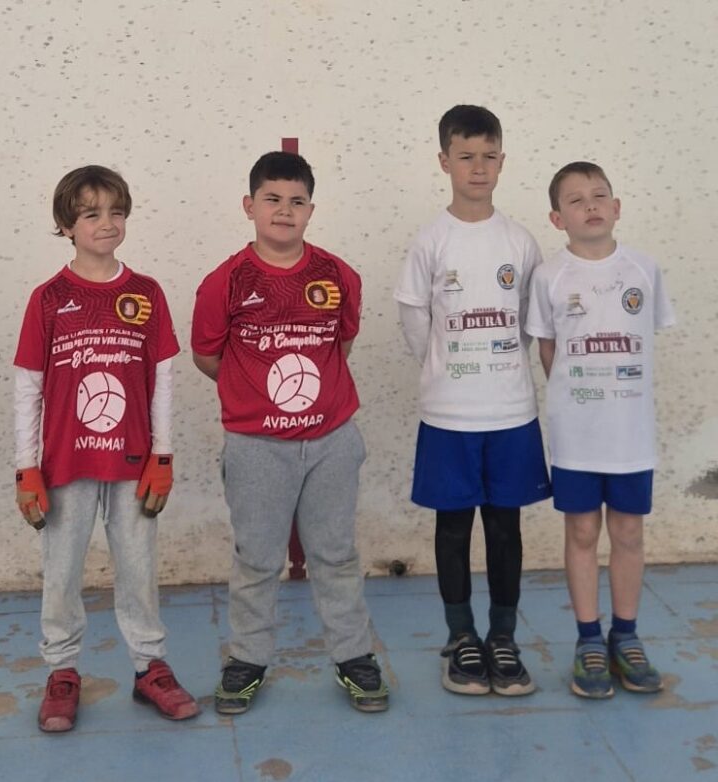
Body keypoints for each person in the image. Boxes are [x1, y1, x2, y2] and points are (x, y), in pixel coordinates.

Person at [191, 151, 387, 715]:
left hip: (331, 442)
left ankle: (354, 656)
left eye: (297, 201)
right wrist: (260, 399)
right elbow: (208, 357)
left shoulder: (338, 275)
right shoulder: (225, 282)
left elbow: (340, 345)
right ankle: (247, 659)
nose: (284, 210)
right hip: (255, 447)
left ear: (311, 210)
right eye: (272, 199)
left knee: (336, 554)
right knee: (257, 559)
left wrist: (308, 403)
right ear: (249, 206)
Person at [14, 165, 199, 733]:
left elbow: (162, 379)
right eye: (91, 213)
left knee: (138, 568)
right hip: (65, 464)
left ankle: (150, 667)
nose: (107, 223)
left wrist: (162, 455)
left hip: (133, 462)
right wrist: (26, 468)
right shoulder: (48, 298)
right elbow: (28, 386)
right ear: (66, 225)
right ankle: (62, 671)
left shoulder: (146, 294)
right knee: (61, 571)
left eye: (116, 211)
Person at [394, 105, 550, 697]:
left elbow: (532, 319)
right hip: (449, 414)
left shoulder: (520, 240)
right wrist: (443, 369)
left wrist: (501, 368)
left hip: (511, 413)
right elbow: (415, 316)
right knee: (454, 527)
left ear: (502, 161)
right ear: (444, 162)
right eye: (466, 156)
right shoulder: (430, 241)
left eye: (488, 156)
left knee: (505, 528)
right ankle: (461, 637)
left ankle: (503, 637)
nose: (478, 167)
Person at [526, 161, 673, 698]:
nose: (589, 205)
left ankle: (625, 636)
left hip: (631, 437)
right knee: (583, 534)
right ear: (557, 218)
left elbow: (644, 338)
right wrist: (577, 397)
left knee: (629, 534)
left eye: (599, 195)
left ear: (616, 207)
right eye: (575, 199)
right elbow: (548, 349)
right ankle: (589, 638)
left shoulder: (644, 270)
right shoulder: (550, 276)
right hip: (577, 437)